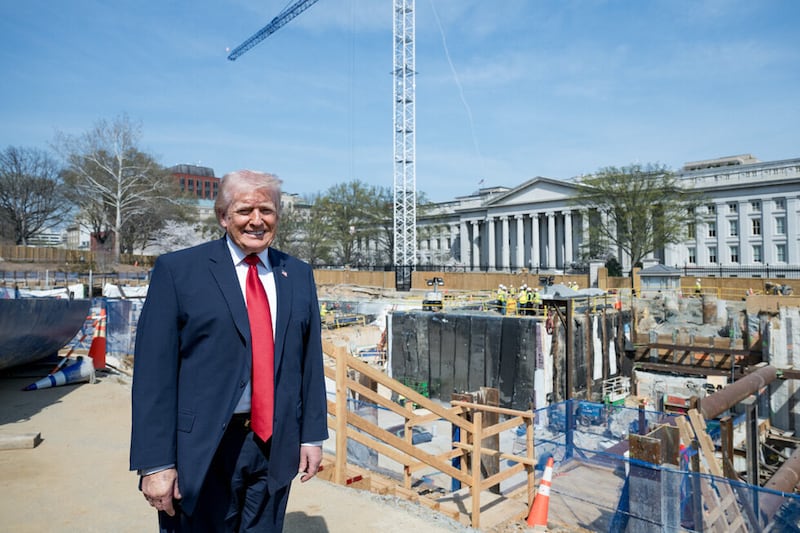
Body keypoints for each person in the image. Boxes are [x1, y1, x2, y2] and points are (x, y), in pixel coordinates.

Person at [130, 169, 329, 532]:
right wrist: (156, 464)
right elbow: (152, 376)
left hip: (273, 446)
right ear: (223, 216)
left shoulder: (297, 274)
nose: (257, 220)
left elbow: (309, 363)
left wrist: (311, 436)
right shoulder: (178, 272)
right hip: (201, 448)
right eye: (244, 211)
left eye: (267, 210)